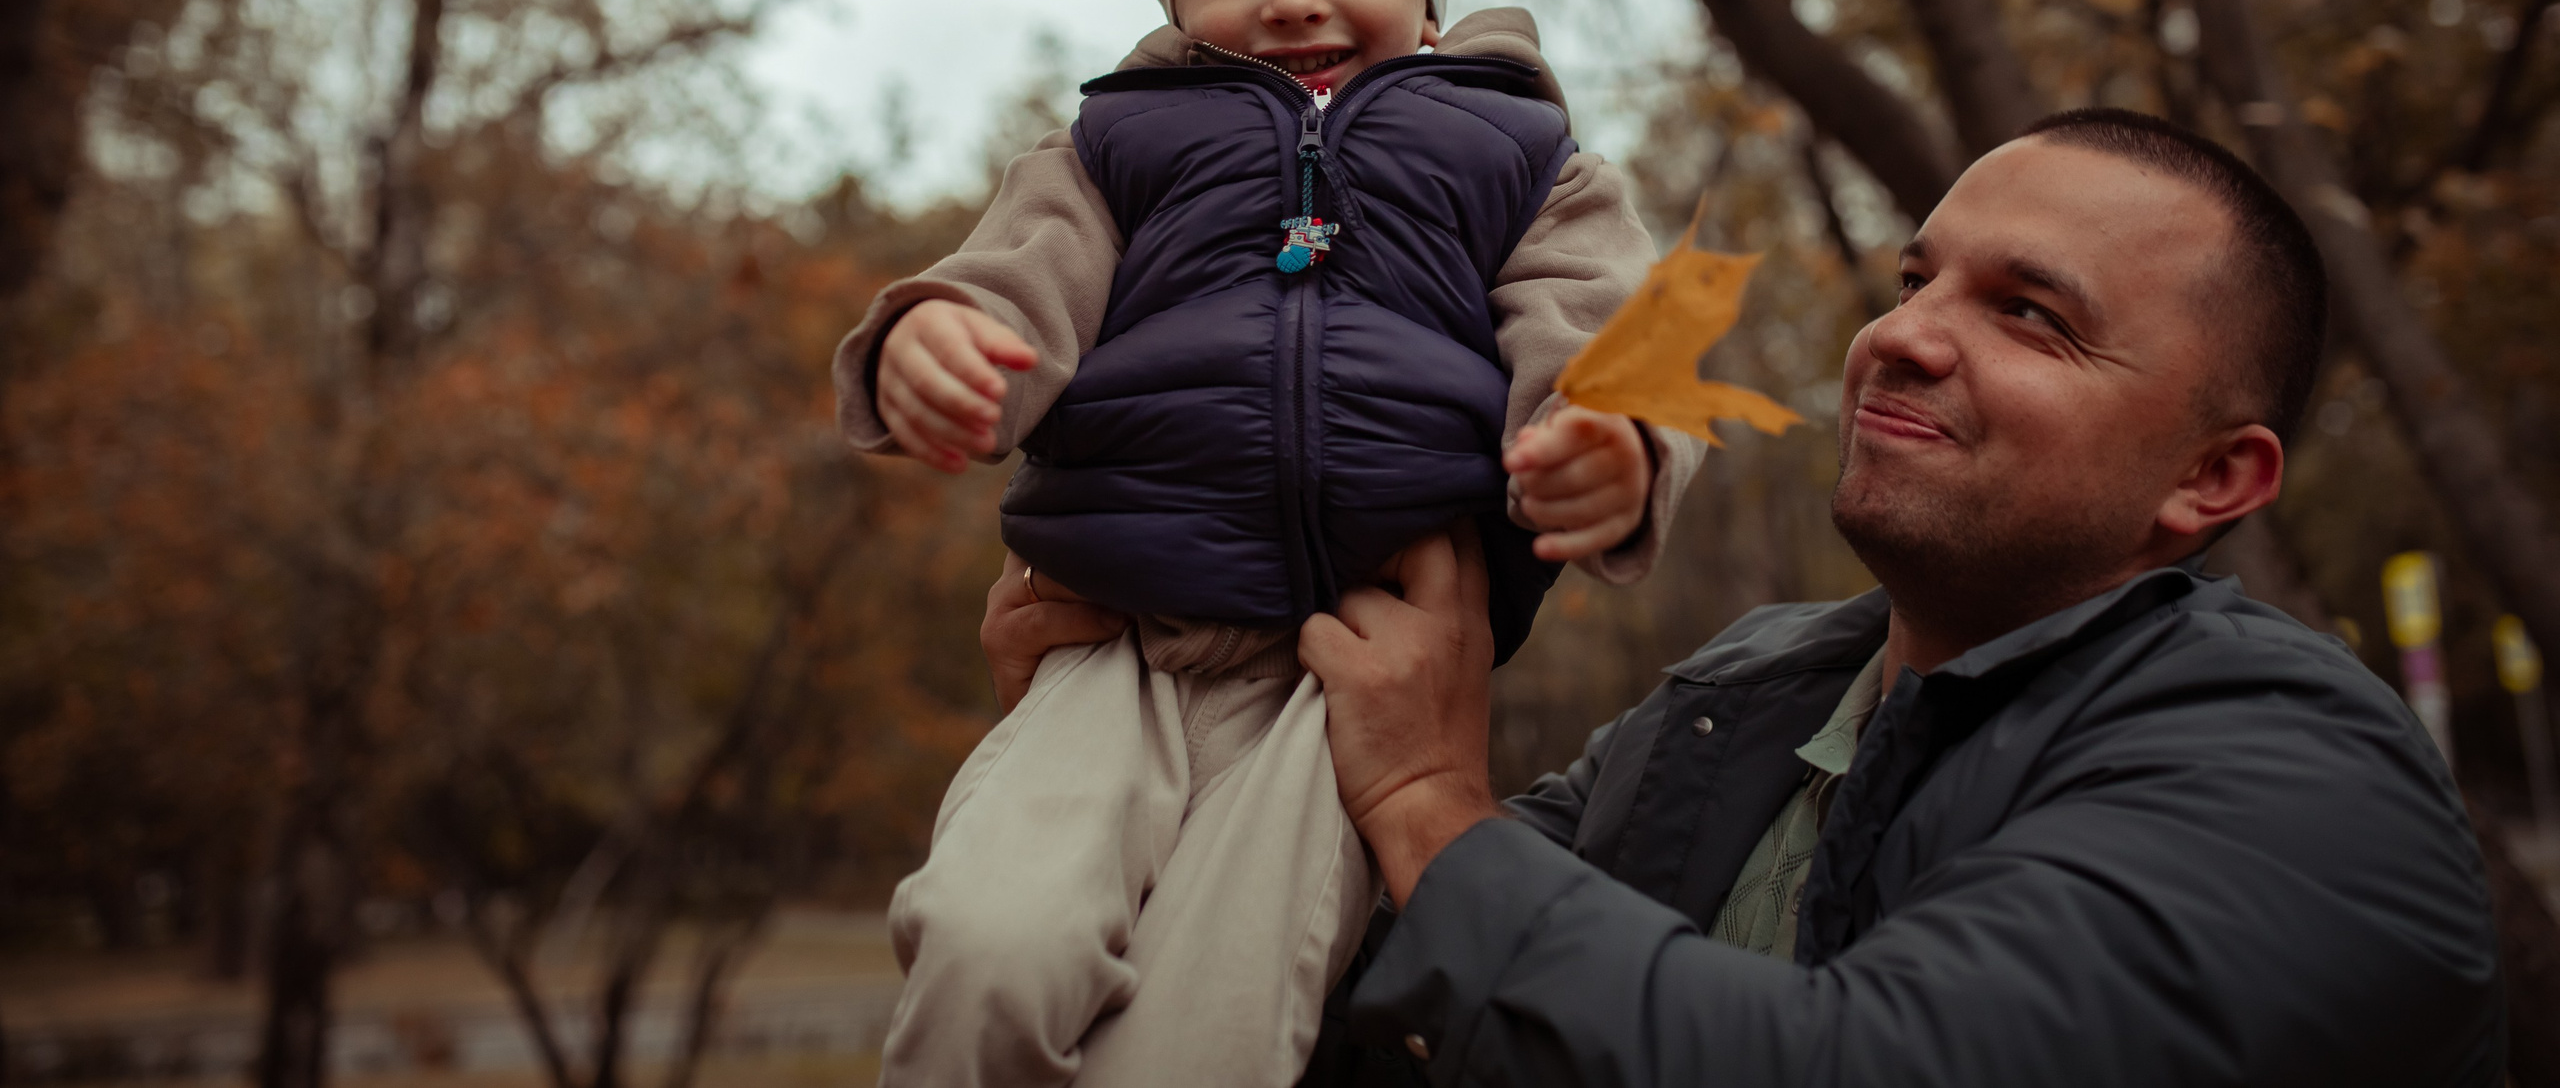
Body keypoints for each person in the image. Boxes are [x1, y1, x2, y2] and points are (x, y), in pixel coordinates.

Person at [985, 109, 2508, 1084]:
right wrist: (1160, 727)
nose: (1901, 335)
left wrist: (1434, 794)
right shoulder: (1746, 695)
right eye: (1918, 280)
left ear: (2214, 481)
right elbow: (1353, 1006)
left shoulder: (2298, 773)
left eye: (2029, 316)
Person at [833, 0, 1703, 1088]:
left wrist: (1613, 440)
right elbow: (1014, 277)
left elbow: (1610, 324)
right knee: (990, 950)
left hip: (1346, 671)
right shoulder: (1117, 146)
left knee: (1204, 1037)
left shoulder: (1515, 151)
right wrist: (928, 337)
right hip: (1113, 647)